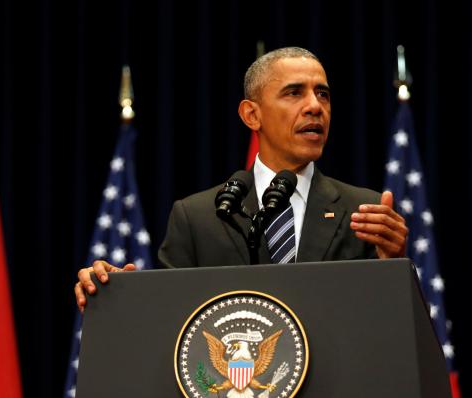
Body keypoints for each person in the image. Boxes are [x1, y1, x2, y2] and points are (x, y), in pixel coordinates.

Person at [75, 47, 408, 311]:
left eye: (323, 94)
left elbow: (388, 329)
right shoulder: (198, 217)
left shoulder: (365, 212)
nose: (314, 106)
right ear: (252, 114)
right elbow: (169, 323)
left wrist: (392, 268)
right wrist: (116, 293)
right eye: (294, 93)